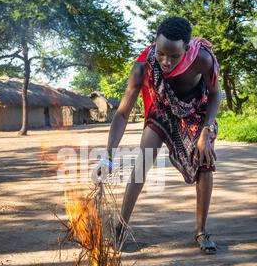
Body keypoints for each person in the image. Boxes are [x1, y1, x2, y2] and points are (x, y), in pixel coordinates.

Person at [92, 16, 222, 254]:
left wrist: (206, 130)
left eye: (174, 56)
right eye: (161, 53)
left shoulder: (202, 60)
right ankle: (121, 227)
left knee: (205, 161)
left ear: (187, 49)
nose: (166, 61)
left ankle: (201, 231)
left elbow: (215, 94)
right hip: (162, 111)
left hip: (196, 113)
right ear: (154, 44)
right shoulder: (142, 68)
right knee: (142, 164)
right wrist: (108, 157)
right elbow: (121, 114)